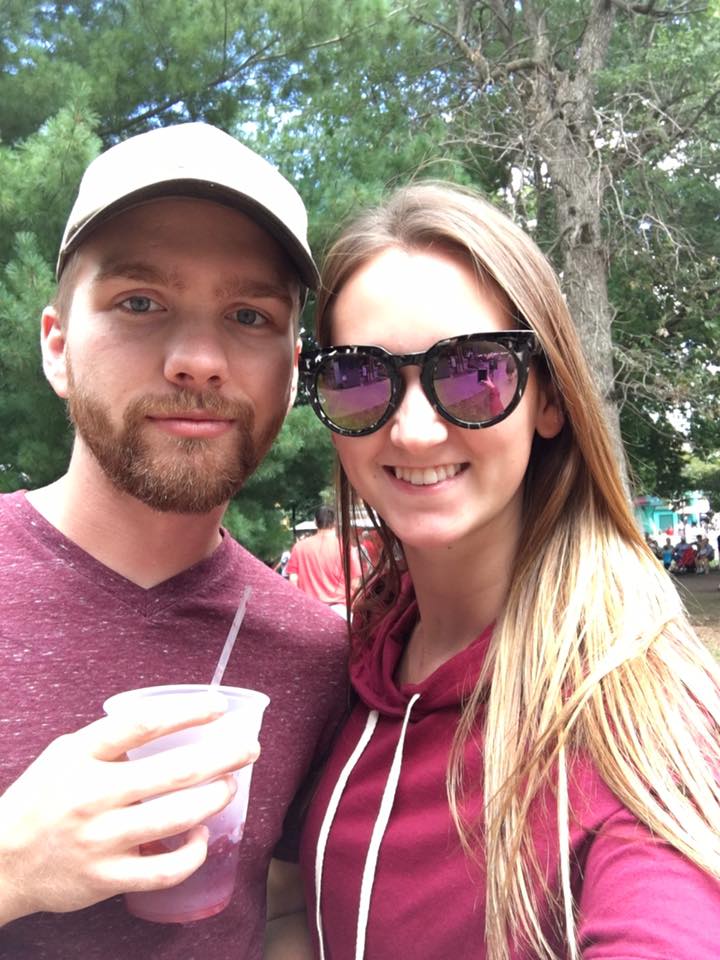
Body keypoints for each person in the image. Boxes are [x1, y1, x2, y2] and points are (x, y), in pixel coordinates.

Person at [297, 182, 720, 959]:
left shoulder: (639, 706)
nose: (415, 430)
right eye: (360, 378)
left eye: (472, 371)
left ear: (549, 400)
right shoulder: (354, 667)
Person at [0, 123, 348, 959]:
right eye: (140, 303)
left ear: (292, 370)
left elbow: (287, 910)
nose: (198, 359)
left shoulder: (317, 655)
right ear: (57, 345)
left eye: (247, 314)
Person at [286, 505, 361, 617]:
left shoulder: (299, 547)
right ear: (335, 523)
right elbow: (355, 583)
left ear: (315, 522)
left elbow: (293, 580)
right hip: (340, 609)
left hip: (309, 609)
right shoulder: (344, 547)